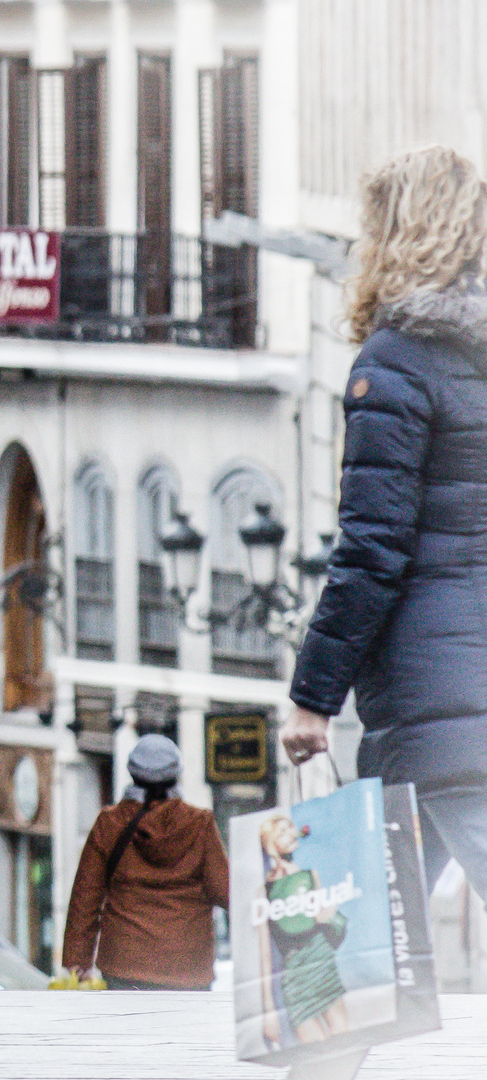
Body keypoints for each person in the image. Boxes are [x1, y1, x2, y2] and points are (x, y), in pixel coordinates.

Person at [284, 145, 487, 898]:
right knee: (382, 917)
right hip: (462, 697)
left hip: (435, 702)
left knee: (379, 918)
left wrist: (313, 696)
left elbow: (372, 550)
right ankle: (340, 1014)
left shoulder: (395, 365)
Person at [61, 734, 228, 991]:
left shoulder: (110, 823)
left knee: (131, 1031)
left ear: (132, 773)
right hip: (186, 968)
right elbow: (225, 891)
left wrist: (77, 960)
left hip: (124, 965)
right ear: (177, 774)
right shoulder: (199, 824)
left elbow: (86, 896)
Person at [255, 813, 350, 1048]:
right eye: (282, 832)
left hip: (320, 959)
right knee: (314, 1050)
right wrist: (268, 1011)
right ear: (270, 842)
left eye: (291, 828)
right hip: (294, 972)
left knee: (342, 1038)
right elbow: (264, 952)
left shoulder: (309, 876)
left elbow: (327, 924)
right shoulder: (264, 890)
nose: (290, 833)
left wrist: (331, 914)